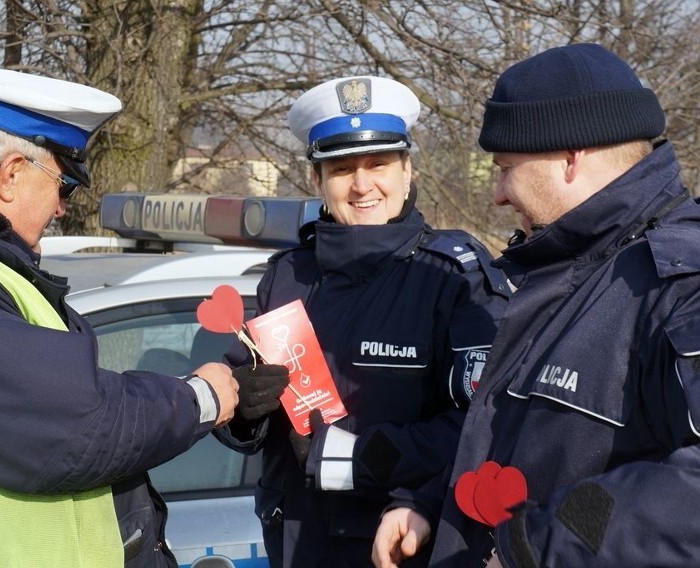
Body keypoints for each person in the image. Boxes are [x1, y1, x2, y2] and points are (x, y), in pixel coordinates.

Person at [0, 63, 238, 568]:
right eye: (63, 186)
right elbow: (78, 427)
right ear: (11, 175)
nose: (61, 209)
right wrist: (200, 398)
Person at [373, 43, 700, 568]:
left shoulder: (678, 284)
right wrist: (433, 502)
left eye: (505, 168)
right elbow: (525, 440)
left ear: (570, 158)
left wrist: (548, 543)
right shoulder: (570, 270)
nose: (499, 194)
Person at [214, 75, 510, 567]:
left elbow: (482, 427)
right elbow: (242, 401)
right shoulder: (287, 276)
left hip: (400, 547)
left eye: (378, 164)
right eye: (342, 168)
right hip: (296, 547)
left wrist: (353, 457)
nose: (361, 184)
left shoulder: (453, 277)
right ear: (317, 181)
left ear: (407, 169)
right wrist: (244, 411)